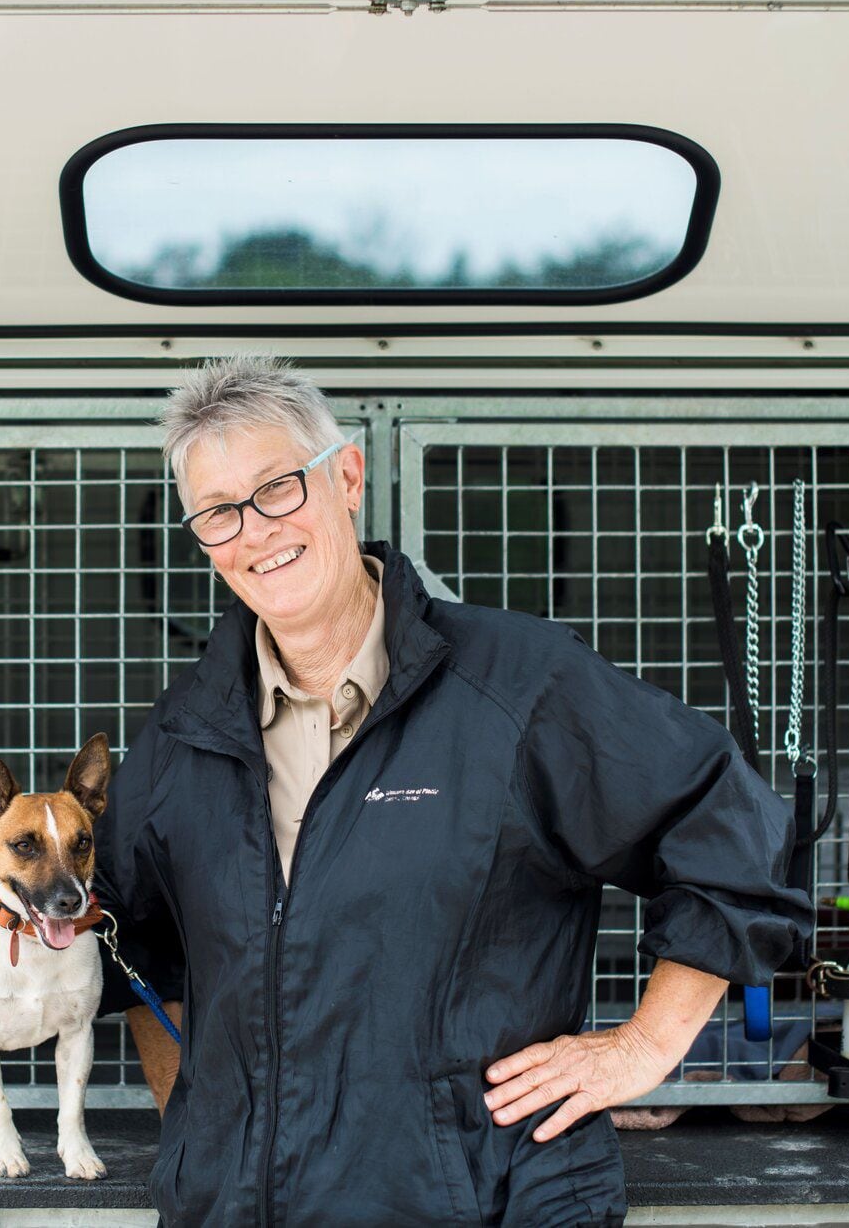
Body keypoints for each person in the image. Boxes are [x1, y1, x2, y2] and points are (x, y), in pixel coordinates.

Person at [95, 355, 811, 1227]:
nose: (254, 531)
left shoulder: (516, 689)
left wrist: (642, 1047)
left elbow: (727, 823)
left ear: (346, 477)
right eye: (217, 512)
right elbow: (136, 947)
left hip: (486, 1204)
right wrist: (198, 1134)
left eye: (278, 487)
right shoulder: (181, 737)